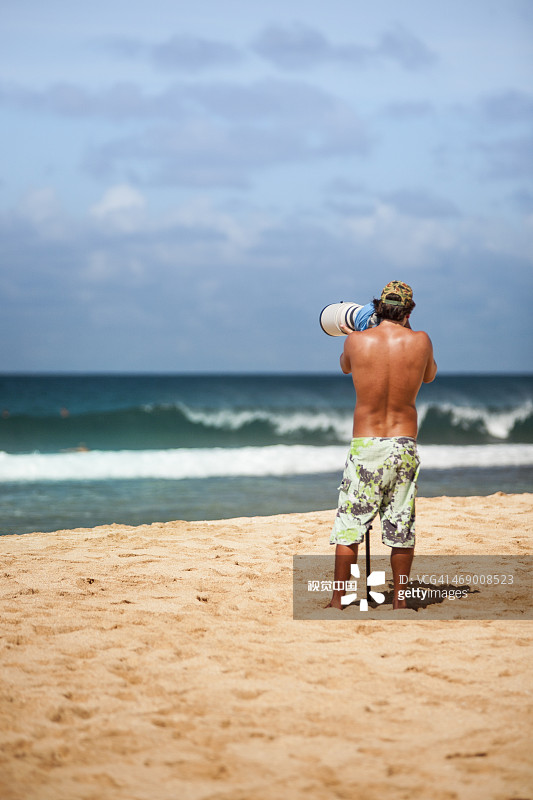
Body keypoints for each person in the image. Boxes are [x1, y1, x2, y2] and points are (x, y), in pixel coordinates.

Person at [327, 280, 437, 610]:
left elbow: (345, 366)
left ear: (377, 307)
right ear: (408, 311)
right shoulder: (421, 341)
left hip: (365, 446)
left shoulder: (356, 342)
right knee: (401, 523)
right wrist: (407, 329)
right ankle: (400, 600)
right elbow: (429, 375)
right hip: (403, 444)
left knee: (350, 527)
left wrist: (365, 328)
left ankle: (338, 600)